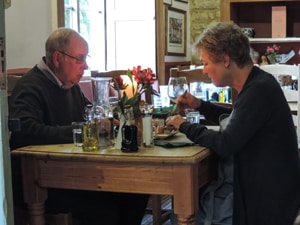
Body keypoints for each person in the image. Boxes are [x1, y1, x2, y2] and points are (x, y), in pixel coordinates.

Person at [9, 27, 148, 225]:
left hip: (72, 173)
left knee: (137, 192)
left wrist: (110, 120)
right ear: (58, 58)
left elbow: (89, 114)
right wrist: (86, 131)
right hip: (42, 183)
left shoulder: (69, 85)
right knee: (107, 209)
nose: (85, 66)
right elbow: (25, 132)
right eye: (80, 59)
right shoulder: (30, 86)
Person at [166, 22, 300, 225]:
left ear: (226, 60)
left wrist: (183, 125)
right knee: (193, 195)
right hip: (269, 187)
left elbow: (225, 143)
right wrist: (200, 105)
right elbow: (238, 118)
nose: (204, 70)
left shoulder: (258, 90)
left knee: (183, 207)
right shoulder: (258, 83)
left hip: (267, 201)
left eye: (206, 63)